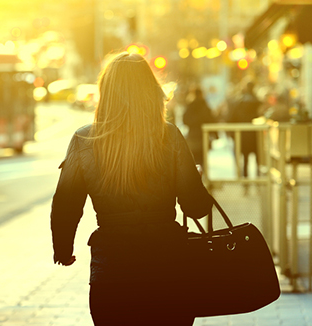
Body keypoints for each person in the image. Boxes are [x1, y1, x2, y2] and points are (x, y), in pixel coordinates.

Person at [50, 52, 213, 325]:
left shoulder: (83, 140)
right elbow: (197, 207)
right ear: (151, 92)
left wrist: (63, 250)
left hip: (112, 273)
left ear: (105, 92)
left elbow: (66, 204)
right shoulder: (169, 136)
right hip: (168, 272)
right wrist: (193, 178)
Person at [228, 81, 262, 179]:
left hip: (242, 136)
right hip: (255, 136)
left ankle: (245, 182)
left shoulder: (239, 103)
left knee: (245, 159)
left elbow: (231, 119)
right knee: (257, 160)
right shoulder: (258, 103)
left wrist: (233, 135)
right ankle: (258, 181)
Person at [182, 87, 216, 165]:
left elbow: (185, 120)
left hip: (193, 137)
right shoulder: (205, 106)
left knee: (194, 162)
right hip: (203, 137)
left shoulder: (190, 105)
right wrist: (215, 134)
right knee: (202, 161)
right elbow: (211, 120)